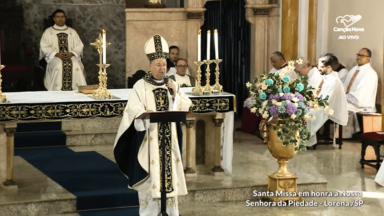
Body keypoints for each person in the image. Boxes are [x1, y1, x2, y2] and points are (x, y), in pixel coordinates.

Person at [113, 34, 192, 216]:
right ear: (149, 66)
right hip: (150, 140)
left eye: (164, 64)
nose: (162, 68)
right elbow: (134, 109)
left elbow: (186, 105)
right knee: (152, 180)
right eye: (158, 65)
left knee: (168, 183)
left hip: (169, 140)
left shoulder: (172, 84)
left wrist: (175, 95)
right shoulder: (140, 86)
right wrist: (144, 115)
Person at [305, 56, 348, 147]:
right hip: (320, 105)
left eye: (321, 67)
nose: (318, 69)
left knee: (309, 114)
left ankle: (306, 141)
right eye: (318, 66)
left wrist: (314, 105)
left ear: (329, 67)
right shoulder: (324, 78)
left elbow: (328, 100)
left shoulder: (335, 81)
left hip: (330, 108)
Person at [39, 9, 86, 91]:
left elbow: (79, 45)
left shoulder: (72, 32)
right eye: (58, 17)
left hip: (70, 56)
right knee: (59, 66)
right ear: (54, 19)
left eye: (62, 17)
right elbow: (44, 47)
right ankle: (56, 92)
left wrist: (72, 53)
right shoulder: (48, 32)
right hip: (55, 57)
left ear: (65, 18)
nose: (60, 19)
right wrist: (56, 54)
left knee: (76, 65)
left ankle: (78, 91)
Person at [343, 48, 378, 138]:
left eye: (362, 55)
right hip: (350, 100)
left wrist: (346, 97)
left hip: (362, 106)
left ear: (368, 58)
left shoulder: (370, 73)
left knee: (340, 107)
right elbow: (345, 86)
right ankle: (333, 136)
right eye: (358, 55)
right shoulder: (354, 69)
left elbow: (361, 96)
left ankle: (344, 135)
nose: (359, 57)